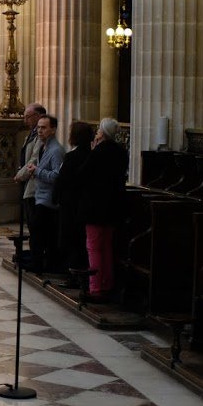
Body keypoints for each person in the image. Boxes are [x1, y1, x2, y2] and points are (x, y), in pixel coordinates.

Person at [78, 118, 129, 300]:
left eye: (99, 129)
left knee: (93, 247)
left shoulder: (99, 151)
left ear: (103, 132)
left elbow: (82, 173)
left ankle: (95, 288)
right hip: (114, 204)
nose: (97, 132)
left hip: (96, 206)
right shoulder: (122, 152)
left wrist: (92, 151)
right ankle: (107, 283)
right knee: (107, 246)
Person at [20, 114, 64, 273]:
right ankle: (38, 262)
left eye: (44, 127)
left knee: (40, 234)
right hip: (39, 196)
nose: (39, 131)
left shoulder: (56, 150)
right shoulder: (42, 147)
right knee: (39, 233)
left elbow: (56, 176)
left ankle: (39, 264)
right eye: (38, 127)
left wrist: (37, 171)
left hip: (48, 199)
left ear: (53, 129)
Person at [53, 120, 95, 279]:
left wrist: (55, 197)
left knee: (72, 240)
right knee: (81, 240)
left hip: (70, 204)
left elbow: (62, 179)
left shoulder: (71, 157)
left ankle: (73, 274)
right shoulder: (91, 155)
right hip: (84, 203)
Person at [16, 102, 47, 263]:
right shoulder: (32, 133)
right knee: (31, 222)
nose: (25, 120)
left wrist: (20, 175)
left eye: (28, 117)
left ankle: (37, 257)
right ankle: (33, 254)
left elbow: (34, 159)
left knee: (35, 224)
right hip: (28, 183)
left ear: (38, 116)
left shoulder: (40, 136)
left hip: (34, 185)